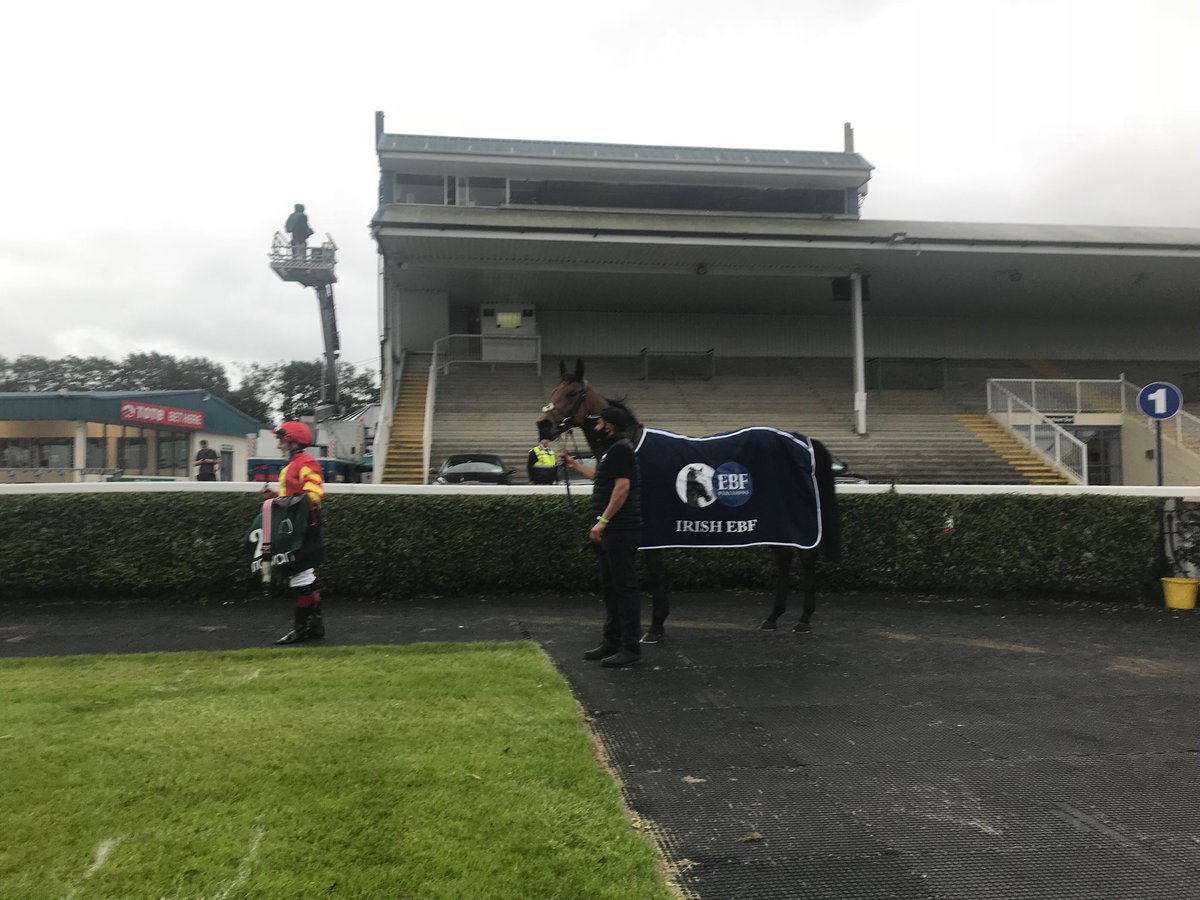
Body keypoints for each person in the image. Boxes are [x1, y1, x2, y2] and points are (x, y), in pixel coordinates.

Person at [560, 406, 643, 667]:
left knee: (624, 588)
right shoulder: (613, 450)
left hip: (620, 530)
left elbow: (622, 487)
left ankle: (630, 647)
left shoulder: (620, 449)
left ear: (608, 425)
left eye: (600, 423)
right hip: (613, 530)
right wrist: (575, 465)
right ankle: (612, 641)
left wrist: (602, 522)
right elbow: (603, 478)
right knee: (610, 588)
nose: (596, 427)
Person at [265, 420, 327, 645]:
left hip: (302, 528)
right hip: (297, 526)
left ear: (292, 442)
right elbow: (294, 497)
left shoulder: (306, 463)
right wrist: (274, 498)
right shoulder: (293, 464)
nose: (279, 445)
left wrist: (282, 503)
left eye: (282, 441)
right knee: (306, 576)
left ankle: (300, 629)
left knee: (300, 577)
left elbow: (314, 494)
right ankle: (315, 626)